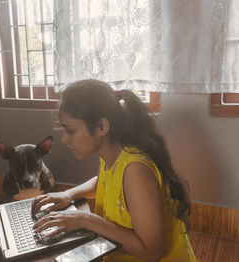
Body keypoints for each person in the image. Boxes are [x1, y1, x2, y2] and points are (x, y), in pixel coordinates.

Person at [32, 79, 196, 262]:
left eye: (70, 131)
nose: (64, 140)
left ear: (102, 126)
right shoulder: (112, 154)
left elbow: (151, 252)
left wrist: (86, 220)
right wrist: (69, 194)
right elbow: (105, 182)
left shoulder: (136, 170)